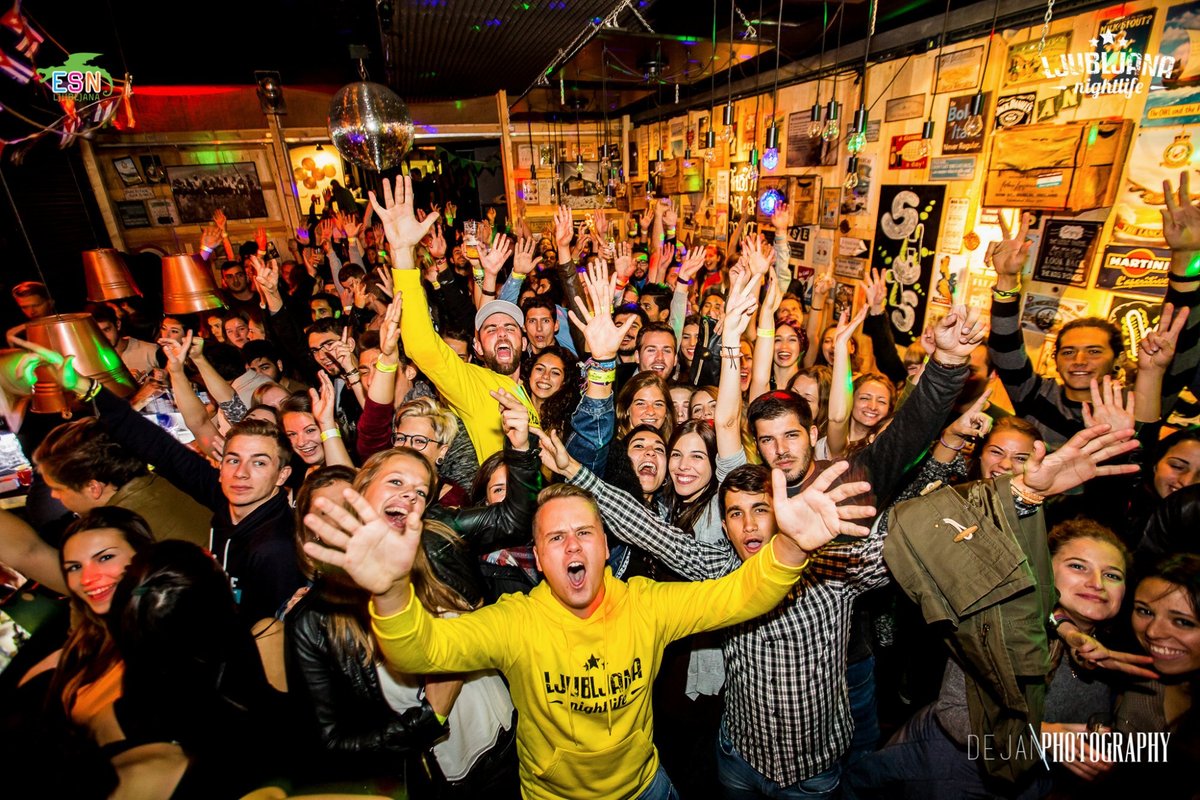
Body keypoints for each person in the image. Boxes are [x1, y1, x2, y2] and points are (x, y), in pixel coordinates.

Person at [301, 458, 875, 800]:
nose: (572, 546)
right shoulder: (516, 621)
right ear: (539, 557)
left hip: (647, 787)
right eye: (556, 538)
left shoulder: (645, 603)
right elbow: (421, 649)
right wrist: (391, 590)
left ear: (605, 548)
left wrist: (792, 545)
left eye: (584, 534)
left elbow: (739, 594)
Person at [374, 176, 539, 462]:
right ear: (477, 348)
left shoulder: (529, 390)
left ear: (524, 343)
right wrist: (402, 252)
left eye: (510, 327)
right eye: (490, 329)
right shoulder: (474, 383)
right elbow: (423, 348)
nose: (501, 333)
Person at [32, 418, 211, 547]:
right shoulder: (162, 482)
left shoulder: (117, 534)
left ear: (93, 488)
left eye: (58, 488)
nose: (53, 495)